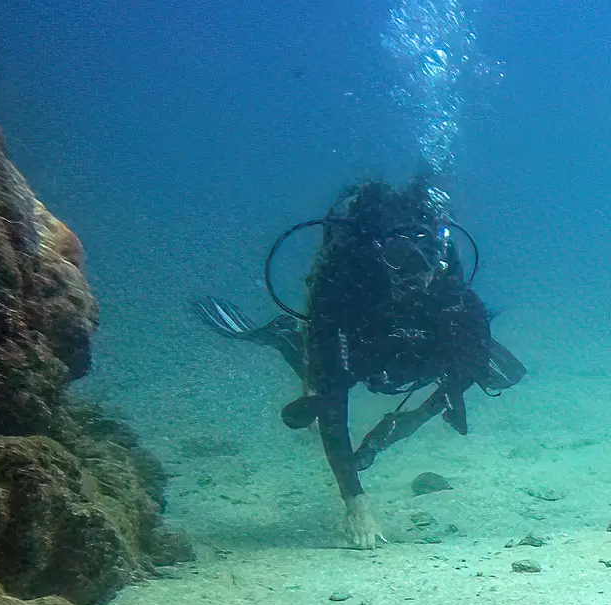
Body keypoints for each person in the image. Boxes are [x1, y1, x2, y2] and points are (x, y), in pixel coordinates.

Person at [192, 175, 526, 547]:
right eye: (399, 258)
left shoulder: (457, 302)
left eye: (426, 259)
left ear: (441, 262)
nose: (413, 273)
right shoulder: (346, 293)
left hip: (410, 362)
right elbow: (333, 411)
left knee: (483, 363)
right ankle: (293, 341)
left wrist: (403, 425)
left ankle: (317, 366)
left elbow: (464, 373)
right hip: (360, 349)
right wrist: (357, 507)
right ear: (382, 258)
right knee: (322, 380)